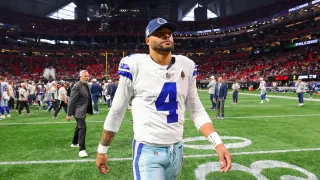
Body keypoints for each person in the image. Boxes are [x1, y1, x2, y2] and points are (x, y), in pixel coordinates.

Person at [95, 18, 231, 179]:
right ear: (148, 40)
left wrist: (218, 143)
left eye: (169, 34)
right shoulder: (135, 65)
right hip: (148, 150)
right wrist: (102, 150)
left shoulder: (186, 65)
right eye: (159, 34)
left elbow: (197, 111)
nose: (166, 36)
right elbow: (117, 111)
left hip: (176, 150)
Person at [66, 70, 93, 158]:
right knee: (83, 128)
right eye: (85, 76)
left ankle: (74, 143)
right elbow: (71, 101)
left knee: (78, 127)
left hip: (83, 110)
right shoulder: (77, 86)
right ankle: (82, 150)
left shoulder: (85, 84)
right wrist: (69, 114)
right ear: (80, 76)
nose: (87, 77)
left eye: (88, 76)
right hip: (78, 111)